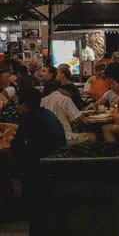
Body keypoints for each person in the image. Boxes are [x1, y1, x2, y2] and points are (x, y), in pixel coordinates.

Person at [10, 88, 66, 235]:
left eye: (18, 103)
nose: (17, 106)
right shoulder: (47, 114)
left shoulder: (29, 118)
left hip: (42, 170)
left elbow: (17, 146)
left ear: (24, 105)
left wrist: (16, 175)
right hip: (57, 164)